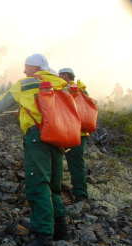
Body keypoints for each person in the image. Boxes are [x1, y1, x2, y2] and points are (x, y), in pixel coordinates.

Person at [0, 54, 70, 246]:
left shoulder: (26, 83)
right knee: (53, 186)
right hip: (58, 138)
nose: (24, 71)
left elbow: (2, 102)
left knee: (38, 187)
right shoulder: (59, 82)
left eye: (26, 67)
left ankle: (44, 241)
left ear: (34, 67)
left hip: (38, 139)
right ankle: (61, 231)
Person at [58, 68, 89, 203]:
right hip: (81, 132)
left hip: (67, 131)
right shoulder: (82, 90)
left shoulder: (65, 89)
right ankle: (81, 194)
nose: (58, 77)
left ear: (65, 76)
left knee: (57, 159)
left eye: (59, 75)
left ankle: (57, 190)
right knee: (77, 162)